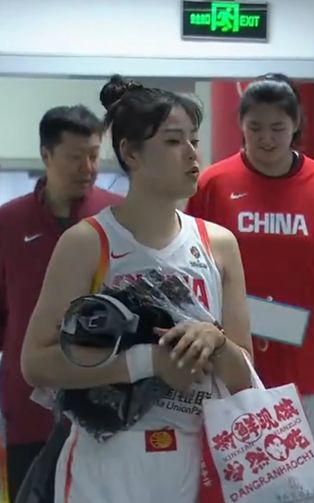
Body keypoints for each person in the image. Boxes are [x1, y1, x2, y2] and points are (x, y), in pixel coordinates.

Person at [20, 75, 254, 502]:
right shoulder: (87, 242)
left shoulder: (219, 244)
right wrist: (147, 361)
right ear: (131, 153)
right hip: (106, 462)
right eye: (173, 141)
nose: (192, 153)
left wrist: (217, 343)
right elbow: (35, 363)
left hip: (198, 459)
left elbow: (245, 376)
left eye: (194, 139)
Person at [186, 73, 314, 481]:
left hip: (306, 371)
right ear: (240, 125)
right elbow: (190, 268)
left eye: (277, 128)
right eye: (255, 128)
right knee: (232, 486)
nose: (266, 139)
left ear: (296, 125)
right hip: (228, 370)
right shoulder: (213, 184)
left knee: (305, 487)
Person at [0, 105, 122, 500]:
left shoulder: (117, 218)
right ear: (46, 155)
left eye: (94, 155)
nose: (88, 167)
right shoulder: (8, 223)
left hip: (106, 410)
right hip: (29, 411)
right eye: (75, 157)